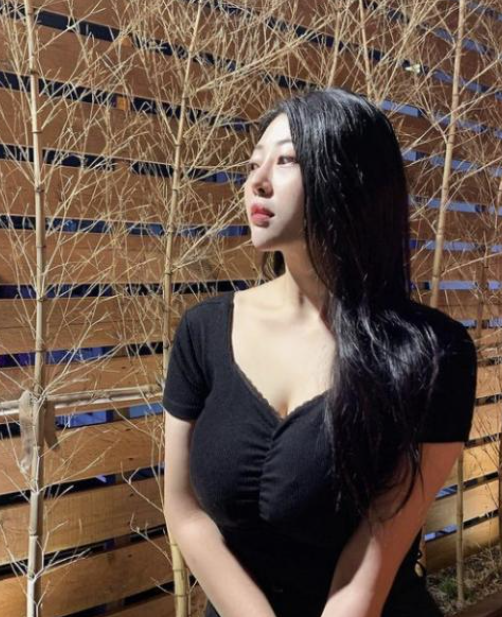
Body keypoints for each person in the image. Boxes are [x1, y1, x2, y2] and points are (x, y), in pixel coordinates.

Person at [162, 87, 478, 617]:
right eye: (253, 164)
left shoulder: (431, 354)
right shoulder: (204, 331)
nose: (257, 181)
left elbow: (376, 551)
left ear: (351, 178)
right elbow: (184, 509)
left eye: (286, 160)